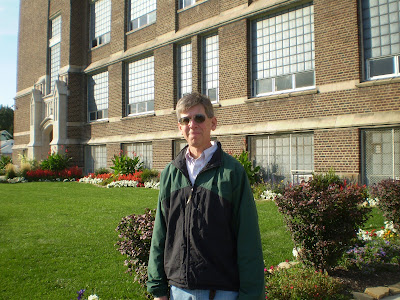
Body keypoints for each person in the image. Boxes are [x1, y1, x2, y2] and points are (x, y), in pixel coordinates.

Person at [147, 92, 265, 300]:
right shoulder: (170, 173)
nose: (192, 124)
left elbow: (248, 238)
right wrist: (157, 288)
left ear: (213, 123)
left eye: (199, 118)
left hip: (222, 291)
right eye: (185, 119)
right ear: (180, 127)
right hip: (179, 290)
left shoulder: (232, 173)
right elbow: (161, 232)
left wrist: (251, 294)